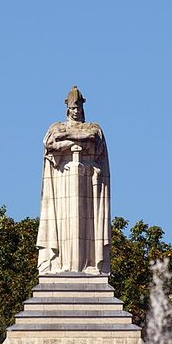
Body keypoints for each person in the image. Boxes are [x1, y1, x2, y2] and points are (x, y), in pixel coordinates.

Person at [36, 86, 111, 274]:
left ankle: (89, 264)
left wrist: (66, 139)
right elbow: (50, 143)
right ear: (68, 109)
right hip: (63, 179)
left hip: (88, 181)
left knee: (86, 223)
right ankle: (61, 264)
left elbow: (93, 138)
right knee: (63, 222)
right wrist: (75, 142)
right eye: (73, 108)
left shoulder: (92, 127)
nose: (76, 111)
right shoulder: (56, 127)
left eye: (78, 108)